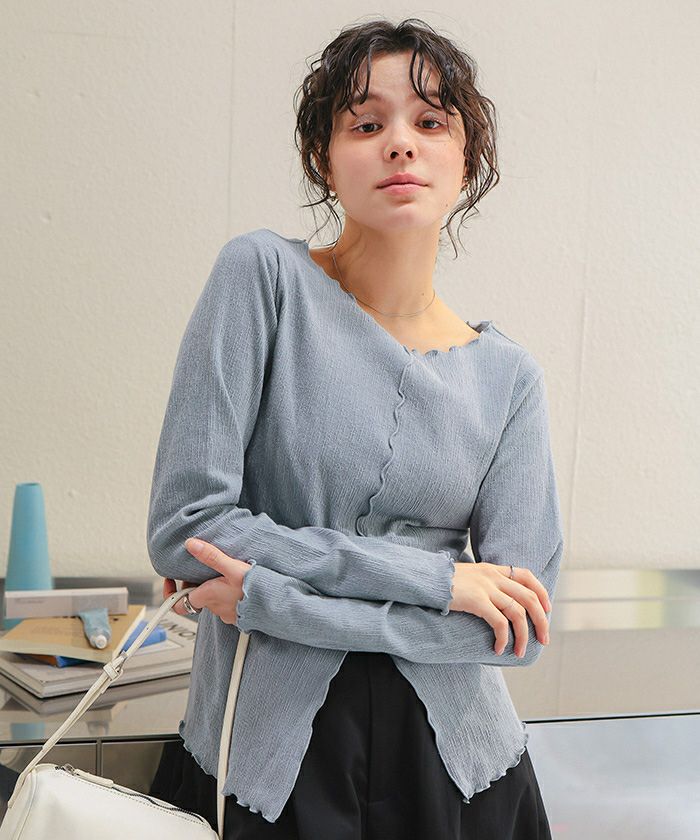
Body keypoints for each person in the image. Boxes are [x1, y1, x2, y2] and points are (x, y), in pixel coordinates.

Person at [146, 16, 563, 840]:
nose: (400, 143)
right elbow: (187, 530)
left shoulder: (509, 377)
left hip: (460, 773)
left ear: (468, 158)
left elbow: (516, 631)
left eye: (430, 121)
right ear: (323, 158)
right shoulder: (262, 279)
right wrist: (439, 581)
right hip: (262, 762)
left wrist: (271, 601)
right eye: (366, 124)